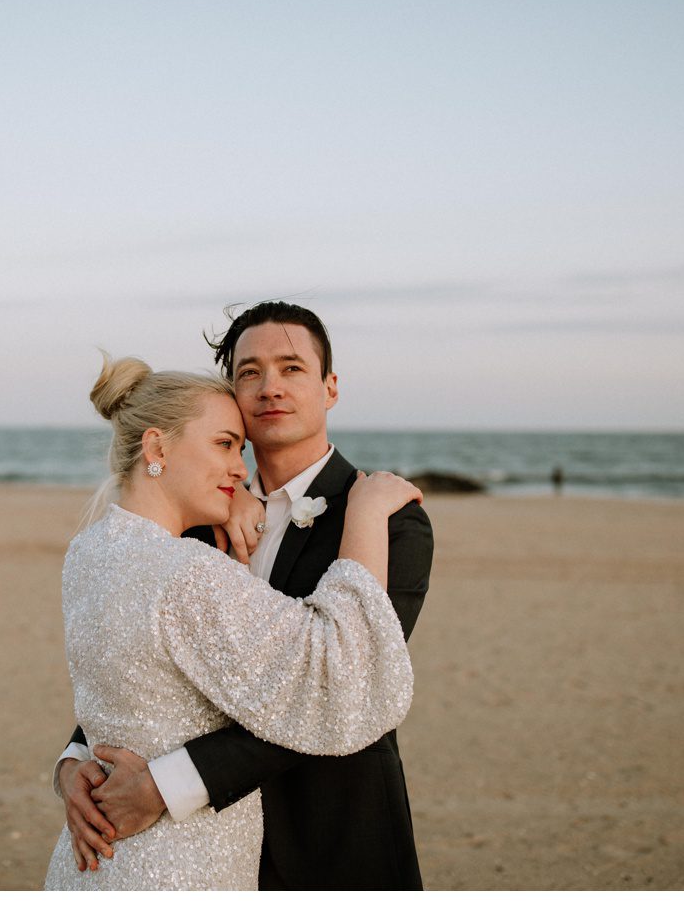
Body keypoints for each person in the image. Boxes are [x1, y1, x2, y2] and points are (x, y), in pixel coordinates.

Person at [56, 302, 435, 889]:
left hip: (328, 836)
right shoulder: (196, 520)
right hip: (202, 852)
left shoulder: (385, 523)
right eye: (249, 372)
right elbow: (143, 665)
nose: (270, 388)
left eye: (291, 368)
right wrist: (76, 760)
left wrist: (169, 785)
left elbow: (337, 684)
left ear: (330, 387)